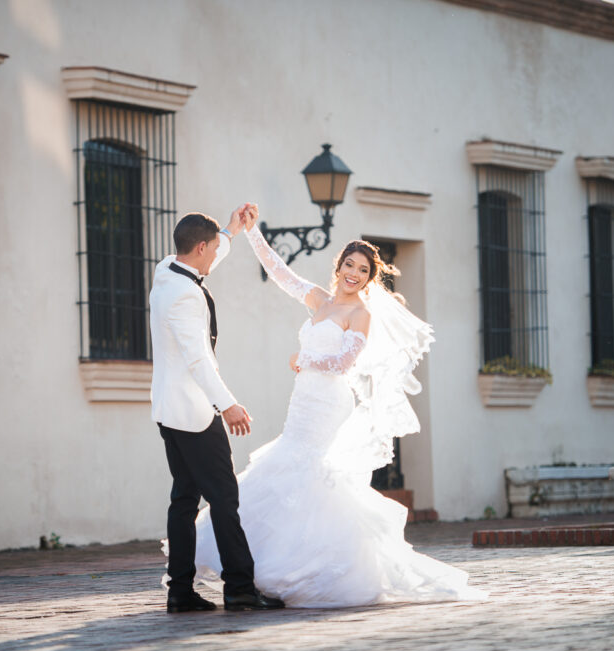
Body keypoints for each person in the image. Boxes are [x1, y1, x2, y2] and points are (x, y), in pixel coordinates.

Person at [189, 204, 488, 608]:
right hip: (303, 401)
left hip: (329, 401)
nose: (354, 274)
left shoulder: (359, 314)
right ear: (339, 266)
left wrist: (303, 360)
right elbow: (280, 273)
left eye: (363, 270)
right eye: (350, 265)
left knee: (305, 471)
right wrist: (252, 232)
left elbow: (345, 363)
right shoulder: (320, 300)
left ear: (369, 278)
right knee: (288, 470)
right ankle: (268, 567)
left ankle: (291, 570)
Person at [149, 205, 285, 613]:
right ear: (200, 247)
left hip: (168, 409)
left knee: (184, 499)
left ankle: (181, 591)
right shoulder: (186, 296)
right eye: (211, 251)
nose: (213, 259)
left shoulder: (166, 269)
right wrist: (228, 405)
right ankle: (241, 588)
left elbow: (212, 252)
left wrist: (232, 229)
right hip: (194, 413)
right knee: (224, 498)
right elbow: (198, 360)